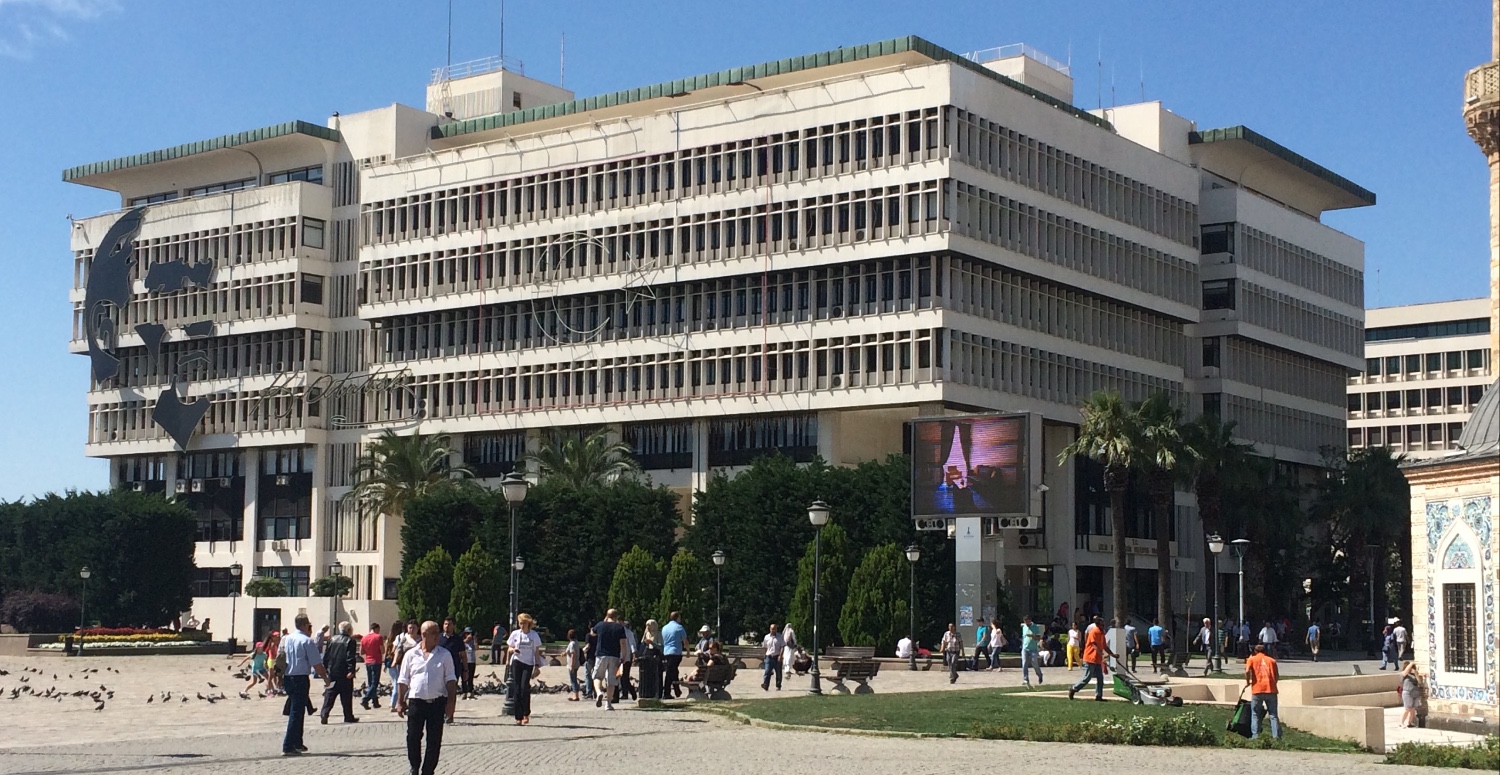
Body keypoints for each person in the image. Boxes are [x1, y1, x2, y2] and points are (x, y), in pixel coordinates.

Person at [396, 620, 458, 775]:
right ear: (424, 635)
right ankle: (414, 766)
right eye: (435, 633)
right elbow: (403, 680)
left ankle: (428, 770)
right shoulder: (411, 655)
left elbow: (451, 680)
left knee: (434, 740)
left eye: (438, 632)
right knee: (412, 737)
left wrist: (451, 703)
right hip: (416, 702)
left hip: (437, 703)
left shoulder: (444, 655)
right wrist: (400, 701)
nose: (438, 636)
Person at [278, 613, 328, 756]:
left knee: (298, 710)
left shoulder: (286, 639)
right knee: (296, 712)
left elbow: (280, 657)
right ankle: (288, 745)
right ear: (305, 625)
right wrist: (325, 678)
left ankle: (297, 743)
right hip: (300, 678)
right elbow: (316, 663)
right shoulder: (306, 641)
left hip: (288, 677)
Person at [318, 621, 360, 725]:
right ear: (349, 630)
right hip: (344, 671)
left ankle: (324, 713)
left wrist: (326, 668)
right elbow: (350, 657)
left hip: (333, 671)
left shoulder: (332, 639)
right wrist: (351, 670)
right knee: (346, 695)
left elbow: (326, 655)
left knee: (330, 694)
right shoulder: (350, 641)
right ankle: (348, 716)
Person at [506, 613, 544, 725]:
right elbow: (509, 647)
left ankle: (526, 713)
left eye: (524, 623)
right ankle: (518, 716)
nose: (522, 626)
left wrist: (537, 666)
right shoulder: (515, 634)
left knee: (524, 688)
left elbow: (536, 652)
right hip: (517, 661)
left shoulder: (534, 635)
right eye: (520, 623)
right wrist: (512, 651)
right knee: (516, 689)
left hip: (528, 663)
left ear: (529, 624)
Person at [1068, 616, 1116, 701]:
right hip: (1090, 658)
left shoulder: (1102, 633)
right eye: (1102, 624)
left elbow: (1104, 646)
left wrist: (1112, 655)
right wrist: (1102, 654)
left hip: (1097, 660)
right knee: (1087, 677)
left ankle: (1099, 696)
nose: (1104, 625)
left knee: (1100, 678)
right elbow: (1094, 645)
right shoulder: (1094, 632)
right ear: (1098, 625)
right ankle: (1074, 688)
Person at [592, 609, 628, 710]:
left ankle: (599, 692)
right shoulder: (619, 627)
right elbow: (623, 643)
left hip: (601, 655)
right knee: (611, 681)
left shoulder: (601, 625)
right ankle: (608, 703)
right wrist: (624, 656)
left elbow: (592, 633)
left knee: (597, 676)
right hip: (614, 655)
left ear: (607, 616)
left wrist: (604, 621)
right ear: (616, 617)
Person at [1244, 644, 1281, 740]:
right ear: (1265, 651)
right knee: (1273, 715)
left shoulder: (1251, 659)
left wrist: (1248, 682)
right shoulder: (1272, 661)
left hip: (1257, 689)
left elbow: (1247, 671)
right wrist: (1274, 683)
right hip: (1271, 689)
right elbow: (1277, 675)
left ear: (1255, 651)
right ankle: (1276, 737)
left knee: (1255, 713)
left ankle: (1255, 736)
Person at [389, 621, 418, 711]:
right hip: (404, 665)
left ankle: (411, 701)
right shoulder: (404, 639)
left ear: (418, 629)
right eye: (410, 628)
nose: (412, 630)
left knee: (414, 684)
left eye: (413, 628)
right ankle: (401, 702)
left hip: (417, 665)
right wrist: (394, 661)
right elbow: (398, 650)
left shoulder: (421, 640)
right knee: (403, 684)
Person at [661, 612, 687, 699]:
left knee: (674, 671)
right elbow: (685, 640)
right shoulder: (679, 627)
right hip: (676, 652)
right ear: (677, 617)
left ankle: (677, 690)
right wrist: (687, 651)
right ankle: (666, 692)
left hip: (666, 652)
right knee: (670, 672)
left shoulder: (664, 628)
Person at [360, 623, 384, 710]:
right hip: (376, 661)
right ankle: (365, 699)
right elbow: (382, 650)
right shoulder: (378, 637)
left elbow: (361, 652)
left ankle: (375, 702)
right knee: (375, 683)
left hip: (368, 662)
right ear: (376, 628)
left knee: (370, 682)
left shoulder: (364, 638)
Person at [1019, 615, 1043, 686]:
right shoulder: (1024, 627)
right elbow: (1023, 637)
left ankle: (1039, 674)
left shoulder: (1035, 627)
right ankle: (1025, 679)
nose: (1026, 623)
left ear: (1030, 620)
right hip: (1025, 648)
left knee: (1034, 663)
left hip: (1033, 649)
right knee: (1024, 663)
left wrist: (1032, 636)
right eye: (1025, 621)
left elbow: (1038, 638)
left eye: (1027, 621)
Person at [1398, 660, 1423, 728]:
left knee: (1412, 709)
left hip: (1415, 693)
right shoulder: (1403, 674)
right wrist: (1411, 663)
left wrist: (1415, 673)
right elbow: (1405, 672)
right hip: (1407, 693)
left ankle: (1409, 722)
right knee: (1407, 708)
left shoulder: (1414, 674)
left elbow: (1419, 682)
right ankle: (1401, 722)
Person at [761, 623, 785, 691]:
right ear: (770, 629)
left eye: (774, 629)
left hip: (777, 656)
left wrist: (780, 655)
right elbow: (765, 647)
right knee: (767, 671)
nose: (773, 630)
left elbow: (782, 647)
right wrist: (764, 655)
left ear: (776, 629)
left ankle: (778, 685)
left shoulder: (780, 637)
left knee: (778, 672)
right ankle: (765, 685)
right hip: (769, 656)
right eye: (772, 629)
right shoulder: (766, 637)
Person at [620, 620, 639, 701]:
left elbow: (632, 644)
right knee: (619, 676)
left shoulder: (628, 633)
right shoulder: (616, 631)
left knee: (625, 676)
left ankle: (630, 690)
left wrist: (634, 655)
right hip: (617, 657)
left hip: (626, 658)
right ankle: (624, 693)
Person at [563, 629, 583, 701]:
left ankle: (576, 695)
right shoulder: (576, 642)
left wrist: (572, 666)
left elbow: (573, 655)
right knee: (574, 679)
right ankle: (575, 694)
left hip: (572, 664)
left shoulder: (572, 644)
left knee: (573, 680)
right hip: (577, 663)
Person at [264, 630, 282, 696]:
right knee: (270, 676)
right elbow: (273, 654)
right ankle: (269, 690)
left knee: (275, 676)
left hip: (274, 660)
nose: (278, 637)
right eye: (276, 636)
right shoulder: (272, 644)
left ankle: (276, 688)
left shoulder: (278, 644)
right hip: (271, 661)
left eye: (278, 636)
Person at [461, 628, 477, 699]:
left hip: (472, 661)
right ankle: (464, 692)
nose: (469, 635)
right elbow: (460, 646)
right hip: (464, 661)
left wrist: (475, 640)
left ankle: (471, 691)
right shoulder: (462, 641)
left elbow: (477, 647)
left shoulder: (473, 642)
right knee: (464, 677)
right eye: (467, 633)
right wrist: (466, 640)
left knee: (471, 677)